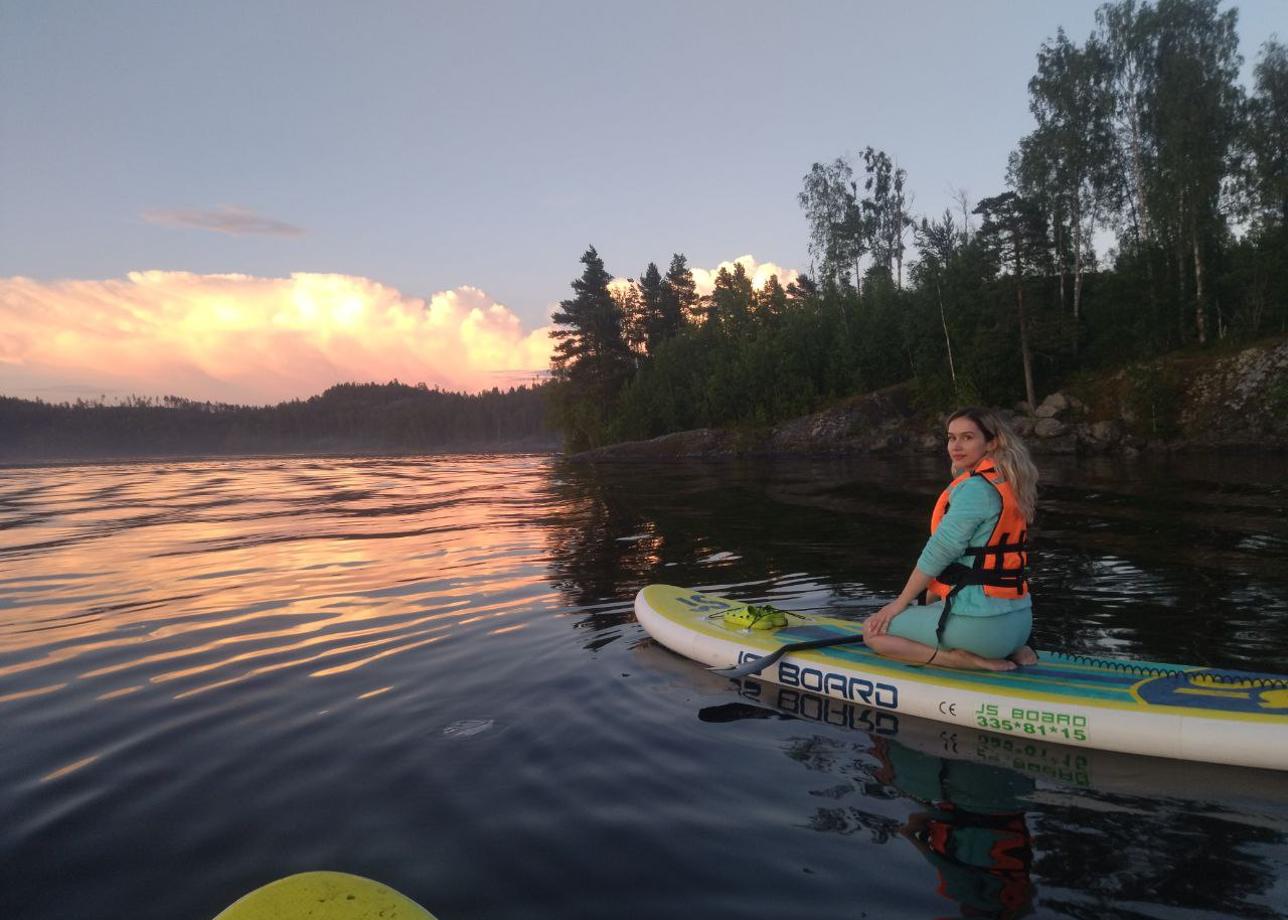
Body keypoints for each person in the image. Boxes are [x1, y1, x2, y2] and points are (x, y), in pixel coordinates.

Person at [865, 407, 1038, 671]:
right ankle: (1016, 651)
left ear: (991, 442)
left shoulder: (975, 490)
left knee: (873, 633)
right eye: (951, 437)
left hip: (984, 633)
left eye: (967, 437)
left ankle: (959, 659)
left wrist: (898, 605)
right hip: (1020, 624)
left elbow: (939, 553)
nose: (956, 446)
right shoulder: (1010, 481)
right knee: (937, 607)